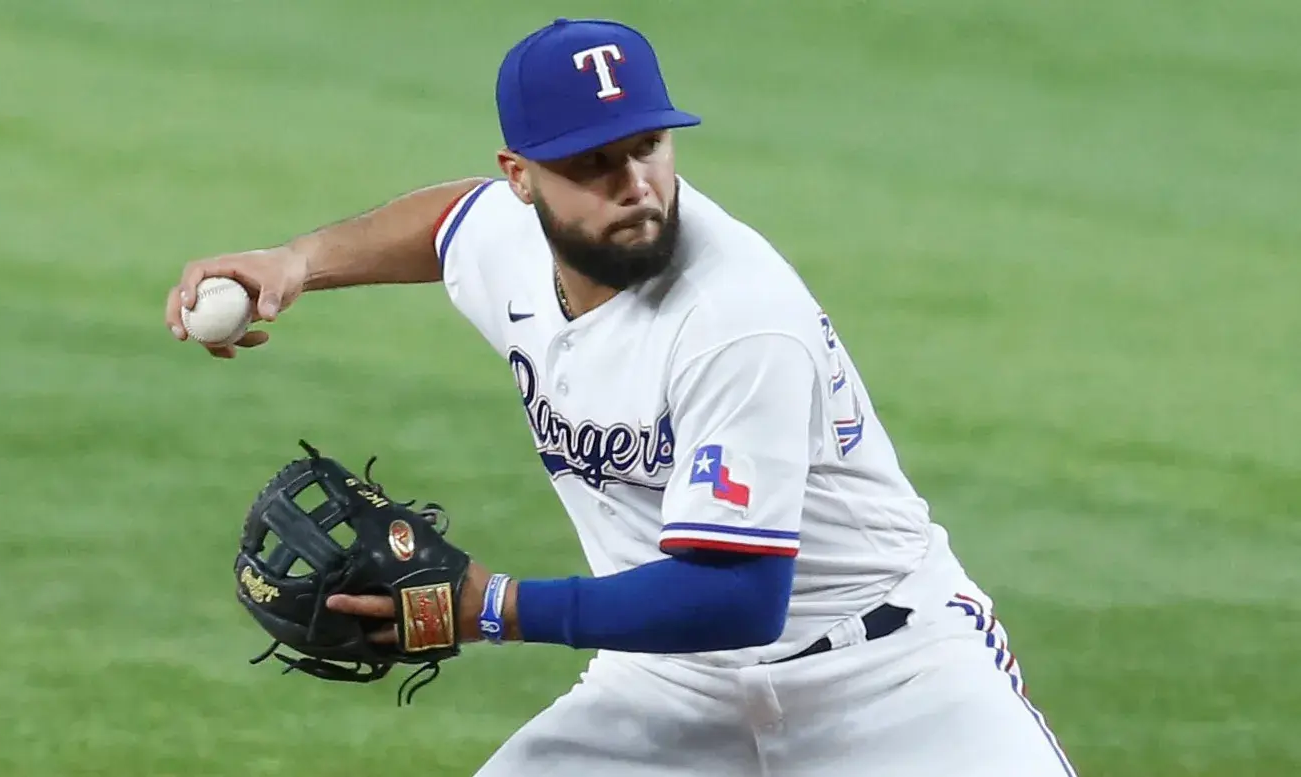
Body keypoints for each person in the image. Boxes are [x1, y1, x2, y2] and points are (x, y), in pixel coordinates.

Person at [165, 16, 1078, 777]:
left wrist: (496, 605)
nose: (634, 186)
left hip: (892, 681)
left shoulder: (735, 317)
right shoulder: (516, 245)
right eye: (594, 163)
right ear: (523, 176)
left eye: (647, 146)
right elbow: (449, 223)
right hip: (672, 684)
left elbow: (739, 594)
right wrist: (299, 262)